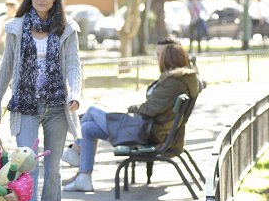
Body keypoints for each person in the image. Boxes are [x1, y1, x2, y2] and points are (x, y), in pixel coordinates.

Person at [0, 0, 82, 201]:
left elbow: (74, 65)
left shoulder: (67, 28)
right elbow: (6, 67)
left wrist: (75, 93)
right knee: (28, 166)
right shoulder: (15, 28)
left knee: (53, 169)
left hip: (57, 107)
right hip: (26, 105)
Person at [63, 38, 201, 192]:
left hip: (148, 132)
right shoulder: (180, 80)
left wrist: (131, 108)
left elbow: (150, 108)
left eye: (160, 55)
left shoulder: (174, 82)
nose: (157, 59)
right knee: (88, 127)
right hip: (149, 128)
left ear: (170, 58)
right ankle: (84, 177)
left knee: (92, 111)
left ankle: (76, 150)